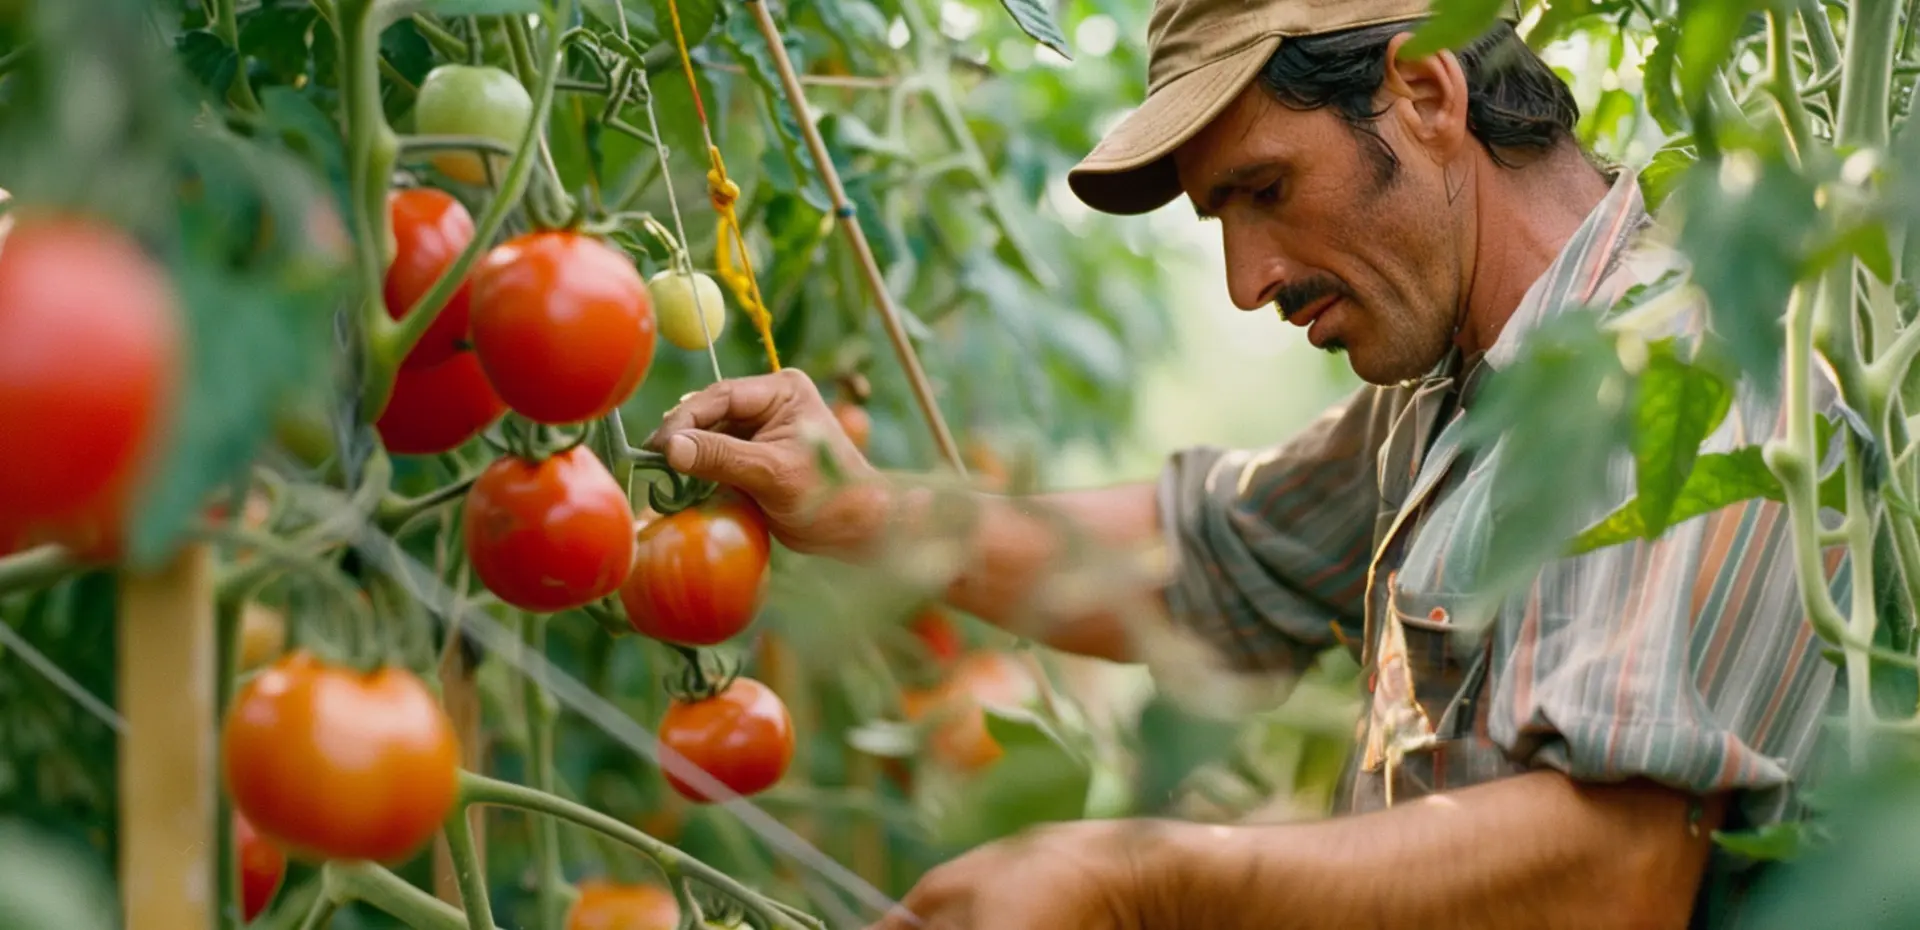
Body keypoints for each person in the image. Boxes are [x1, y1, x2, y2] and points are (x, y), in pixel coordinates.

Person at [646, 0, 1846, 926]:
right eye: (1221, 219)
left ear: (1426, 92)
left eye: (1264, 190)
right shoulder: (1457, 395)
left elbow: (1609, 875)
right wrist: (857, 505)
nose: (1244, 280)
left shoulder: (1671, 379)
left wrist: (1142, 883)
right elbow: (1202, 558)